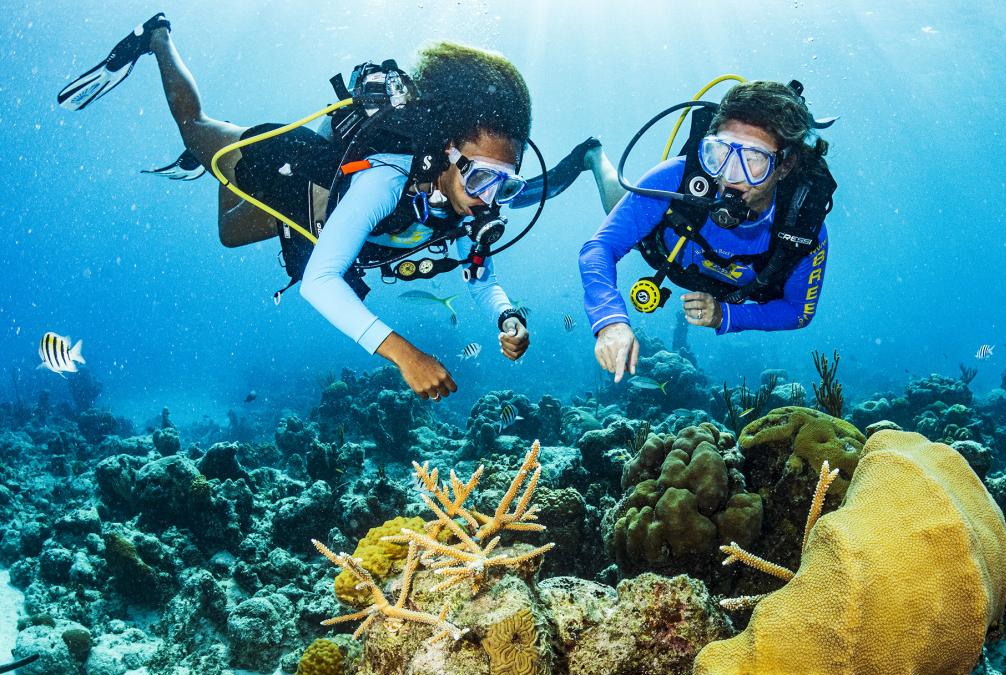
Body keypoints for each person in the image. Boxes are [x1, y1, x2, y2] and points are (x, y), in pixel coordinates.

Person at [57, 15, 615, 400]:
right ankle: (159, 39)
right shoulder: (388, 177)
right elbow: (320, 282)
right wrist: (405, 356)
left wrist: (506, 315)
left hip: (317, 219)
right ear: (447, 152)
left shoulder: (473, 201)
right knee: (197, 131)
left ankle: (215, 164)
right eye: (482, 177)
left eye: (506, 183)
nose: (490, 198)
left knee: (228, 233)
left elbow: (480, 276)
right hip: (292, 175)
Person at [578, 80, 836, 382]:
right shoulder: (674, 177)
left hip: (723, 286)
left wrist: (726, 315)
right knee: (616, 206)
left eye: (754, 160)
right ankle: (594, 154)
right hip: (663, 247)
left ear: (786, 164)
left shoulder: (803, 230)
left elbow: (798, 311)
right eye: (720, 152)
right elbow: (599, 247)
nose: (730, 174)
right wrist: (609, 320)